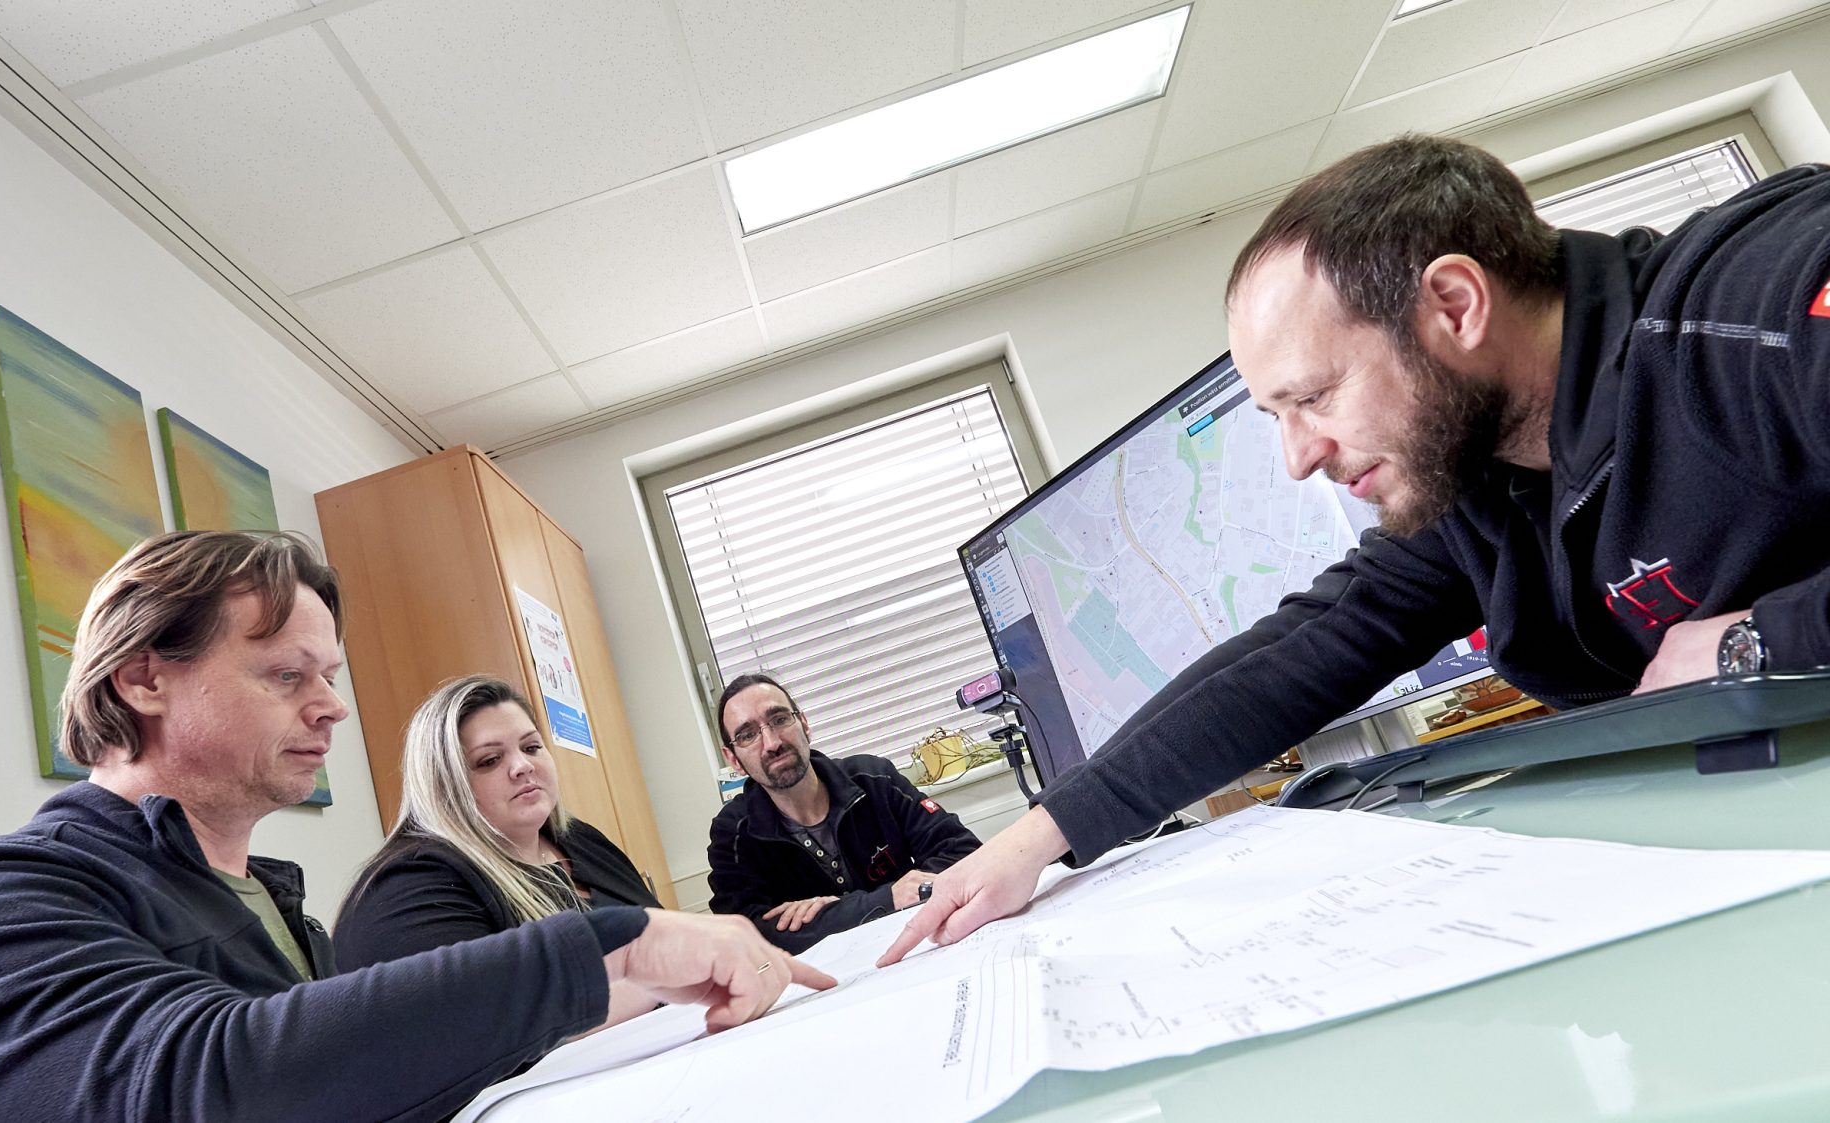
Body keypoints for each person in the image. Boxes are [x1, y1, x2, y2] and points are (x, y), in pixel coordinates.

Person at [881, 134, 1830, 967]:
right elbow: (1304, 647)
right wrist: (1043, 835)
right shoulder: (1480, 478)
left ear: (1455, 306)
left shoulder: (1757, 297)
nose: (1299, 457)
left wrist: (1763, 645)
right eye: (1276, 416)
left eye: (1315, 397)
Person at [0, 531, 832, 1122]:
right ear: (144, 679)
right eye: (286, 675)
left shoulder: (286, 925)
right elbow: (204, 1080)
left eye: (333, 677)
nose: (332, 709)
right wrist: (618, 951)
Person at [337, 674, 663, 1039]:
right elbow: (484, 1030)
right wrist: (661, 976)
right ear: (443, 786)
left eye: (532, 747)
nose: (522, 766)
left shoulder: (581, 839)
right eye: (489, 760)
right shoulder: (409, 886)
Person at [708, 672, 980, 953]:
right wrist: (887, 898)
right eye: (748, 735)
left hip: (918, 946)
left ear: (804, 723)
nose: (772, 743)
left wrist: (827, 916)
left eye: (779, 719)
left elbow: (965, 854)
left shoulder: (874, 779)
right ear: (733, 759)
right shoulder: (733, 835)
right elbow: (747, 938)